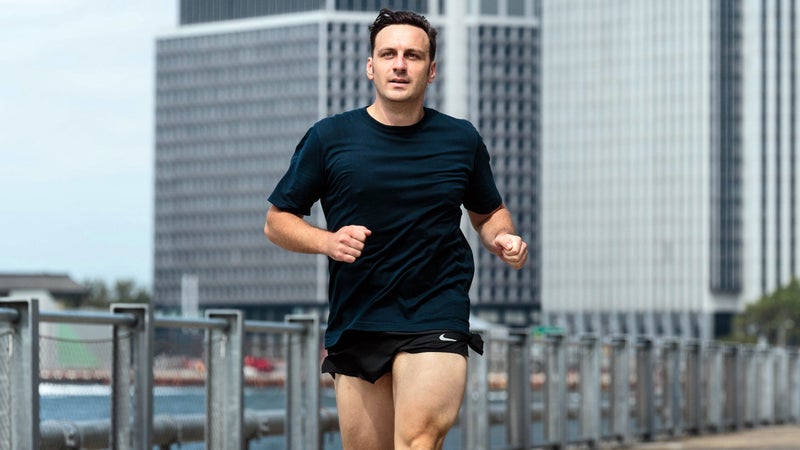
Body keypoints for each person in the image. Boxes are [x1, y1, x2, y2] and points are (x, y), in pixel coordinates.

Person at [264, 8, 528, 450]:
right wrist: (327, 241)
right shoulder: (329, 138)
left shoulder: (461, 139)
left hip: (435, 309)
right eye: (388, 54)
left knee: (419, 440)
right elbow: (277, 221)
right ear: (371, 66)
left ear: (431, 70)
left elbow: (488, 212)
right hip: (359, 315)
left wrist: (502, 237)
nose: (400, 64)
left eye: (413, 55)